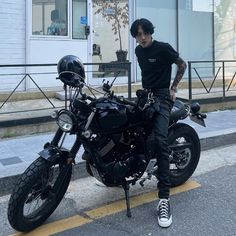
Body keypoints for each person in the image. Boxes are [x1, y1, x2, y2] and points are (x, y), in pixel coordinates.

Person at [130, 18, 187, 228]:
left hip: (163, 98)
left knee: (162, 142)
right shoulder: (138, 51)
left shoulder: (163, 48)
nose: (142, 37)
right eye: (138, 34)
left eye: (145, 33)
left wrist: (173, 89)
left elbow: (182, 65)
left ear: (151, 32)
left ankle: (164, 199)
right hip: (146, 96)